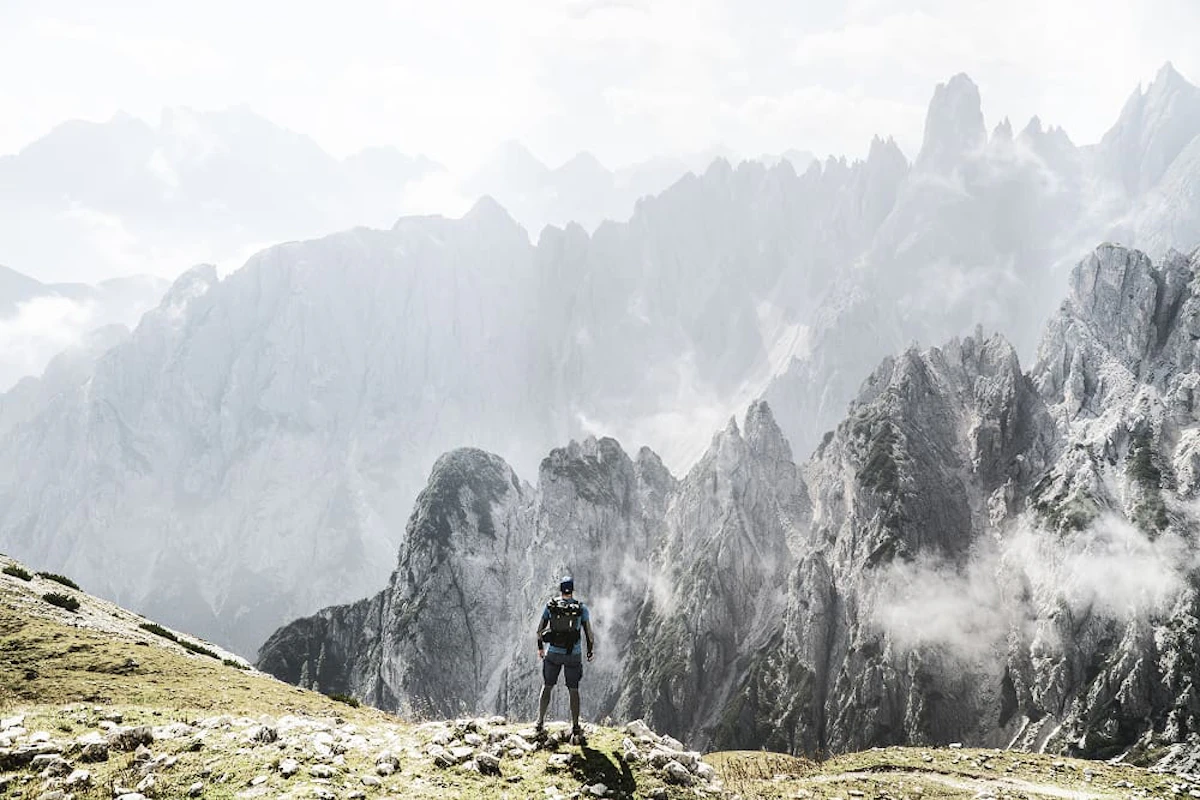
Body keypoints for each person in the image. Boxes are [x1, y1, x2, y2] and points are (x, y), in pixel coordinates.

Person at [535, 575, 594, 742]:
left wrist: (540, 648)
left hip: (553, 653)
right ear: (572, 590)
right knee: (573, 689)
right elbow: (589, 634)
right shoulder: (581, 608)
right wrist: (590, 651)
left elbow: (539, 630)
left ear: (560, 590)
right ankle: (575, 726)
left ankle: (539, 722)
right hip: (573, 655)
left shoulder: (551, 606)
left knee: (547, 686)